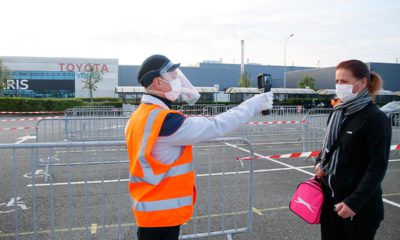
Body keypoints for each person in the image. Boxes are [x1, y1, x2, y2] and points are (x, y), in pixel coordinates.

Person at [125, 54, 273, 240]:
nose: (177, 80)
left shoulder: (139, 116)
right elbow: (215, 126)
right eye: (172, 76)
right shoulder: (164, 121)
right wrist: (254, 104)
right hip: (161, 215)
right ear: (158, 83)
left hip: (149, 210)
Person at [314, 59, 392, 240]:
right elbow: (327, 147)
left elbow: (377, 167)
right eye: (337, 81)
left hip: (358, 208)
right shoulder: (337, 112)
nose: (339, 86)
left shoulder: (375, 118)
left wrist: (353, 203)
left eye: (344, 82)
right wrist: (319, 163)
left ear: (362, 82)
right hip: (330, 203)